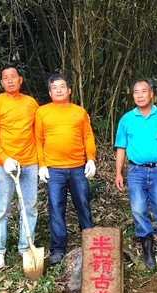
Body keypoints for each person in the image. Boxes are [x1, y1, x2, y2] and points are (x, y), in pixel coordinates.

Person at [114, 78, 157, 273]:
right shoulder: (126, 119)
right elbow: (121, 148)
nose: (140, 95)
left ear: (151, 94)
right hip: (135, 171)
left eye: (144, 91)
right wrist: (118, 173)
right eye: (136, 92)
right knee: (138, 210)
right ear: (132, 95)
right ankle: (148, 251)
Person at [35, 74, 97, 265]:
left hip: (78, 167)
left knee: (83, 205)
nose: (59, 90)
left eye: (63, 86)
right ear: (50, 92)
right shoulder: (42, 112)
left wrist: (91, 159)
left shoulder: (79, 111)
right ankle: (58, 249)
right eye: (55, 87)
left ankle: (90, 244)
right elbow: (39, 139)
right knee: (56, 207)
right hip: (54, 169)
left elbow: (87, 136)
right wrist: (42, 164)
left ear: (69, 90)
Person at [0, 64, 39, 270]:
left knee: (30, 207)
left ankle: (26, 247)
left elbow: (41, 130)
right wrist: (4, 158)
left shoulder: (31, 103)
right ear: (1, 82)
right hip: (3, 166)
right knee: (1, 209)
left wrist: (41, 164)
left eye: (13, 76)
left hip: (29, 163)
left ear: (20, 79)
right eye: (5, 77)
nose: (9, 80)